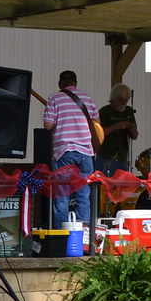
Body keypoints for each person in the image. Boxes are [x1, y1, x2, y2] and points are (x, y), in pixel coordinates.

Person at [43, 70, 98, 227]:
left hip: (64, 152)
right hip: (86, 152)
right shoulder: (87, 98)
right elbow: (97, 123)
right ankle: (84, 236)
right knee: (83, 195)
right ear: (75, 83)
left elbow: (48, 125)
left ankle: (62, 235)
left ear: (60, 84)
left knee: (61, 195)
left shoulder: (54, 98)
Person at [96, 83, 138, 176]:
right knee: (105, 188)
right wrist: (115, 127)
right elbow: (98, 134)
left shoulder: (129, 111)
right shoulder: (104, 111)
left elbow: (135, 136)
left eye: (126, 100)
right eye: (120, 100)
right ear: (113, 99)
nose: (123, 103)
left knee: (123, 188)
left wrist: (132, 129)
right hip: (106, 157)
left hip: (123, 158)